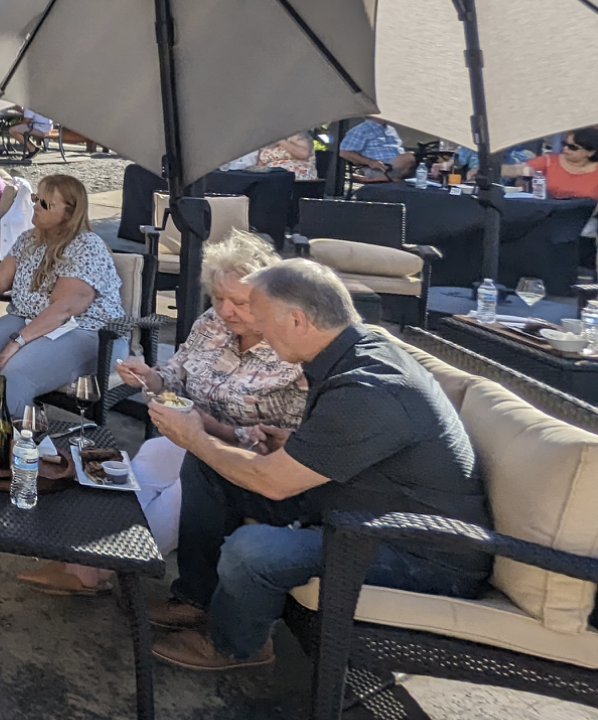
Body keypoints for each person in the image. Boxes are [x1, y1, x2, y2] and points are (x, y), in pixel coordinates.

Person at [147, 260, 490, 671]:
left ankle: (237, 645)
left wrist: (195, 437)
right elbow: (364, 447)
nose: (257, 328)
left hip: (419, 553)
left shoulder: (370, 387)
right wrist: (293, 442)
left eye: (261, 316)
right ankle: (197, 598)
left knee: (252, 550)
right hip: (355, 508)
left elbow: (274, 484)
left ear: (298, 320)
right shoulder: (350, 354)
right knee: (208, 470)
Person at [17, 229, 299, 596]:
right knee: (143, 465)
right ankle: (89, 561)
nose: (226, 310)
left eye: (240, 302)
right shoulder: (212, 323)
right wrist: (151, 377)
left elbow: (284, 439)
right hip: (185, 437)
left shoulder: (290, 351)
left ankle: (100, 567)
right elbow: (175, 373)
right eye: (219, 297)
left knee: (180, 494)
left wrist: (209, 427)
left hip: (238, 461)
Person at [0, 173, 123, 404]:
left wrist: (18, 342)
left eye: (45, 203)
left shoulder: (87, 246)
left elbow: (64, 308)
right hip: (27, 319)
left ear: (69, 213)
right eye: (35, 198)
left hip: (84, 331)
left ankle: (17, 425)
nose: (35, 206)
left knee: (16, 371)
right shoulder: (29, 239)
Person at [505, 126, 598, 200]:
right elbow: (518, 170)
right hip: (550, 213)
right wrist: (498, 170)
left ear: (591, 152)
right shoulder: (549, 162)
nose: (565, 149)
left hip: (586, 215)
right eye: (564, 144)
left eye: (572, 147)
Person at [338, 117, 413, 181]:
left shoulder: (391, 129)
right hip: (380, 168)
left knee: (418, 159)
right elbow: (344, 153)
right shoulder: (361, 129)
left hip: (401, 165)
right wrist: (369, 162)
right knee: (411, 156)